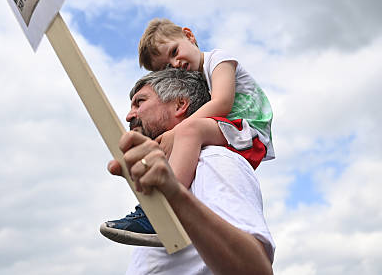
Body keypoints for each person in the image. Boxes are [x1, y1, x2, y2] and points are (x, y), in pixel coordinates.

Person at [103, 19, 274, 243]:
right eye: (167, 66)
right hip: (233, 130)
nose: (175, 63)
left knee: (189, 131)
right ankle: (153, 202)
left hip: (249, 130)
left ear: (189, 36)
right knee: (180, 140)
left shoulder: (218, 59)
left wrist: (178, 132)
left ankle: (164, 209)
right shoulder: (199, 75)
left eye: (174, 51)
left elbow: (222, 104)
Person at [105, 68, 275, 274]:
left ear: (180, 104)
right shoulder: (168, 176)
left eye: (140, 102)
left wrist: (174, 195)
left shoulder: (212, 160)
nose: (129, 115)